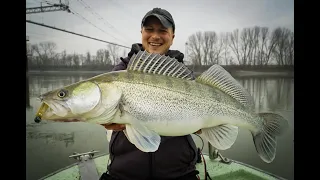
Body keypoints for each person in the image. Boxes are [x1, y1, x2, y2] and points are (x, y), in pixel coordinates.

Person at [99, 7, 201, 180]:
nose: (155, 36)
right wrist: (101, 118)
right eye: (149, 30)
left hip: (179, 172)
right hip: (125, 173)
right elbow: (102, 109)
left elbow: (200, 126)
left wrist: (203, 126)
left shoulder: (183, 75)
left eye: (163, 30)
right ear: (141, 32)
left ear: (172, 36)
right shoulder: (122, 71)